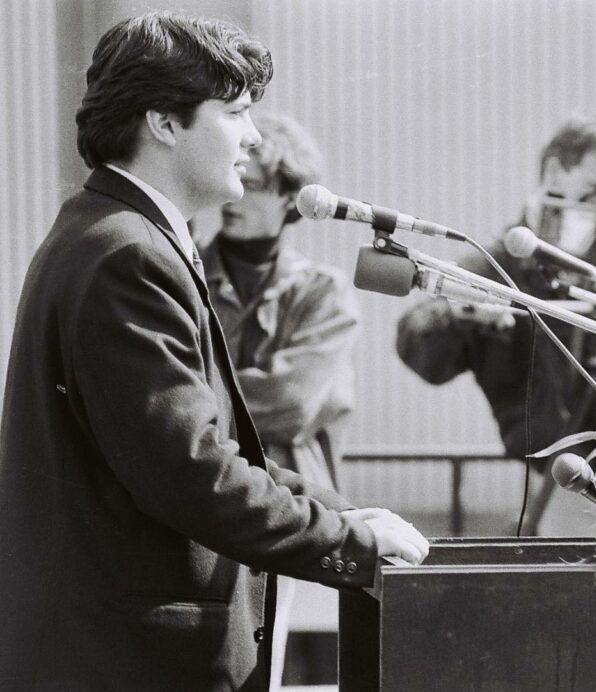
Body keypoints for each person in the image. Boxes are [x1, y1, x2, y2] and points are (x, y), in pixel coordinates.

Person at [0, 12, 427, 691]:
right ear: (164, 123)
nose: (253, 136)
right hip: (130, 665)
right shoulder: (129, 253)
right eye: (235, 113)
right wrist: (350, 545)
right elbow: (190, 469)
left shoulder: (115, 233)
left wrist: (339, 512)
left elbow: (212, 444)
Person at [395, 115, 596, 534]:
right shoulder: (497, 267)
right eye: (595, 191)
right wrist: (462, 313)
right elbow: (419, 344)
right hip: (552, 480)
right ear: (555, 172)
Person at [200, 112, 361, 690]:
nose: (236, 195)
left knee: (285, 667)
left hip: (292, 504)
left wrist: (196, 403)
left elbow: (292, 401)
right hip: (206, 494)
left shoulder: (322, 291)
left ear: (292, 198)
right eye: (237, 176)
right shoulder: (181, 273)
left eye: (257, 184)